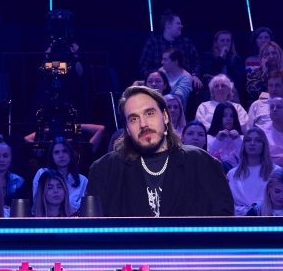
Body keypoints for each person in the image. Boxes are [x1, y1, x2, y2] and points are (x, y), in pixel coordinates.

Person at [86, 86, 233, 217]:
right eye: (134, 119)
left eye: (149, 114)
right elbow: (92, 231)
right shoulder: (105, 169)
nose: (143, 124)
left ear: (165, 117)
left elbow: (224, 227)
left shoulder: (202, 164)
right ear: (127, 129)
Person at [140, 10, 201, 88]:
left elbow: (195, 62)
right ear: (168, 25)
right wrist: (153, 79)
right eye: (178, 23)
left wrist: (195, 75)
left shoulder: (186, 43)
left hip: (183, 82)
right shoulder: (153, 43)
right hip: (158, 84)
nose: (181, 26)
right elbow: (144, 65)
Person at [226, 127, 277, 216]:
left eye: (258, 140)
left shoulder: (275, 172)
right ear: (244, 145)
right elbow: (228, 203)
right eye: (248, 140)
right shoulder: (232, 174)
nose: (252, 143)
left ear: (264, 145)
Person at [32, 137, 88, 213]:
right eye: (56, 152)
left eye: (65, 151)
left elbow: (84, 207)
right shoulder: (42, 173)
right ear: (52, 157)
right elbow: (38, 201)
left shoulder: (83, 180)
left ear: (71, 154)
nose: (61, 155)